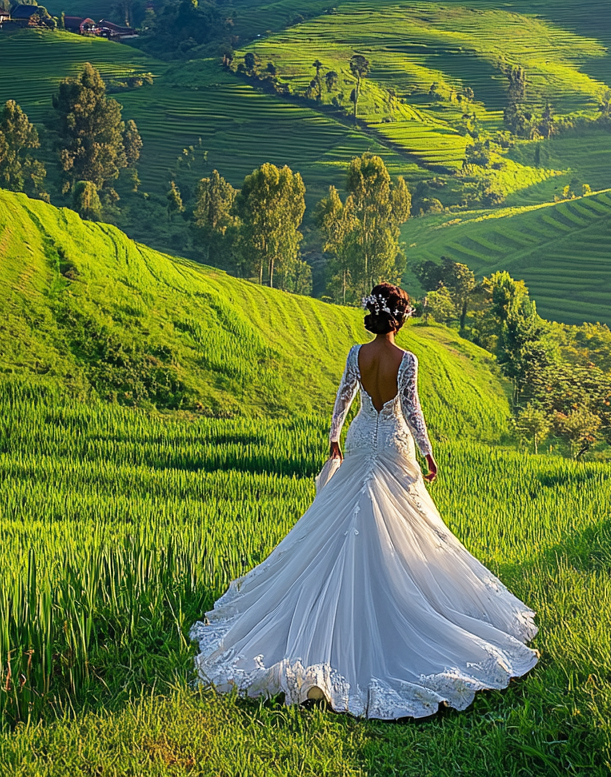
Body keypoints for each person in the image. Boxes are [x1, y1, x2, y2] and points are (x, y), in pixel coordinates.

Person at [190, 282, 538, 719]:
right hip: (391, 444)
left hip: (360, 440)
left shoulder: (358, 355)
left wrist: (335, 436)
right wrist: (428, 451)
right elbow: (412, 410)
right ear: (400, 317)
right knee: (414, 529)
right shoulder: (407, 361)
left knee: (338, 520)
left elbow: (344, 399)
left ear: (373, 315)